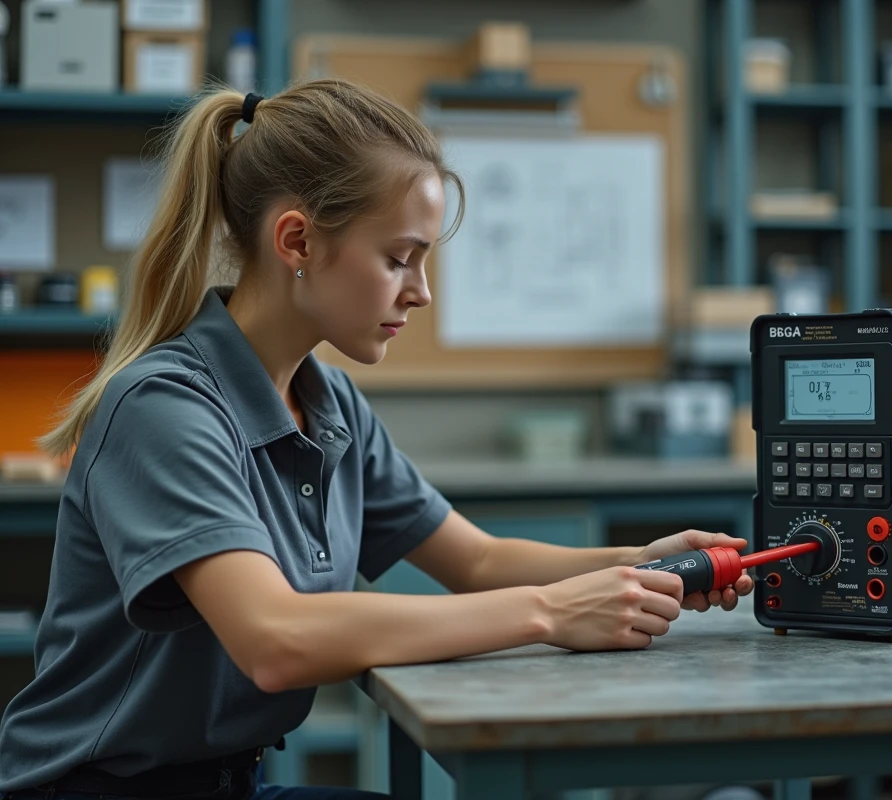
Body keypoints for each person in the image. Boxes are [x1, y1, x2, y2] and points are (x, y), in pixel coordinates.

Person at [0, 79, 753, 800]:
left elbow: (476, 558)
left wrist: (639, 565)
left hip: (232, 782)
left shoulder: (328, 405)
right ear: (296, 240)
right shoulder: (164, 406)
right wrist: (551, 613)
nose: (420, 291)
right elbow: (275, 641)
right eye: (399, 258)